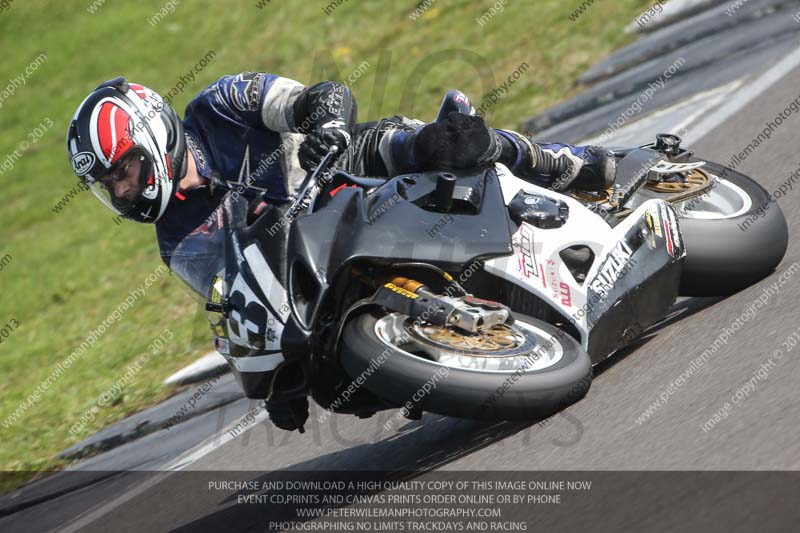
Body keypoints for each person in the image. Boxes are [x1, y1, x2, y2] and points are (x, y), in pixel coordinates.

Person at [65, 73, 615, 430]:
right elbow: (238, 293)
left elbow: (320, 95)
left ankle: (560, 163)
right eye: (109, 186)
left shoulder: (219, 106)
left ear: (154, 133)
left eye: (125, 171)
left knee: (446, 143)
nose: (122, 191)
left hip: (350, 171)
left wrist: (324, 125)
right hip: (315, 263)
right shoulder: (174, 238)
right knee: (330, 380)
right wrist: (271, 376)